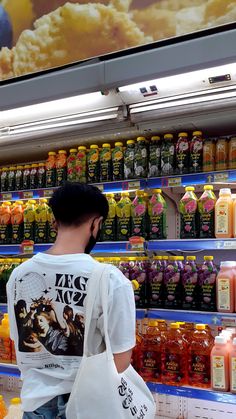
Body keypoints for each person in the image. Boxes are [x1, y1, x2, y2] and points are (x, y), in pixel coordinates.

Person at [7, 182, 136, 419]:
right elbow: (121, 360)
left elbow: (20, 343)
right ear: (96, 223)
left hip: (35, 405)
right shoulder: (110, 279)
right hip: (86, 407)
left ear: (54, 222)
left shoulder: (19, 275)